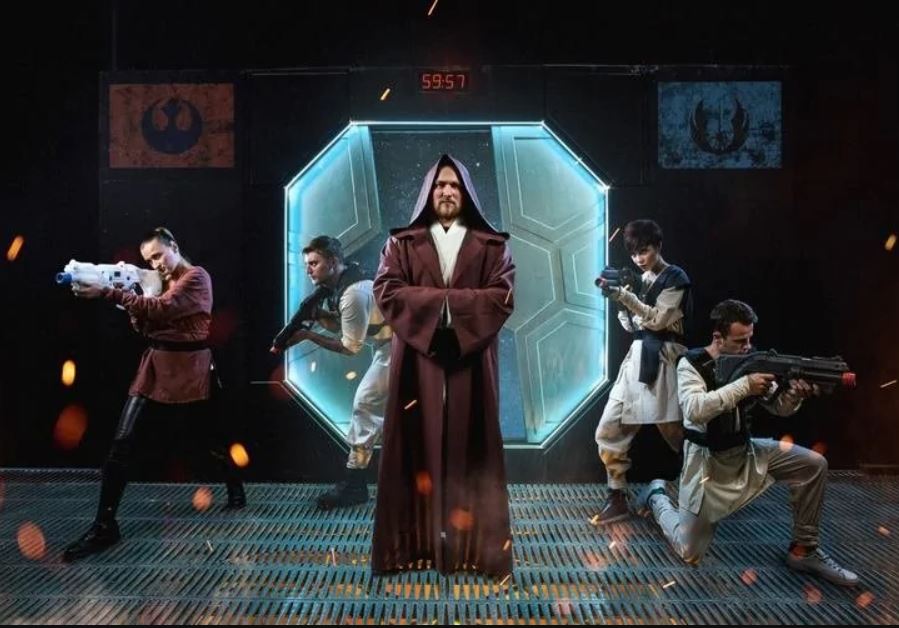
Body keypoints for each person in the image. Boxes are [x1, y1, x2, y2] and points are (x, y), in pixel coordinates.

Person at [635, 299, 859, 586]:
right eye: (740, 341)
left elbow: (779, 408)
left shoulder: (750, 362)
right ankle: (657, 497)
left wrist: (795, 395)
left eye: (750, 339)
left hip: (746, 454)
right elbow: (695, 409)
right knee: (688, 549)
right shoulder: (692, 364)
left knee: (814, 464)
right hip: (706, 466)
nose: (747, 347)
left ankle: (804, 550)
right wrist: (744, 386)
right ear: (718, 337)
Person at [370, 155, 515, 577]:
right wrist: (450, 306)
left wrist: (440, 305)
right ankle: (415, 548)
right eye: (439, 185)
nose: (447, 191)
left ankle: (475, 552)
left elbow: (502, 296)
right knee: (412, 445)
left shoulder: (492, 245)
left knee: (475, 446)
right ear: (428, 193)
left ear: (465, 192)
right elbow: (387, 290)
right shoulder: (401, 244)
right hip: (418, 360)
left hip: (472, 358)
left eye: (454, 185)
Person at [63, 227, 245, 562]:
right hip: (158, 364)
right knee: (121, 444)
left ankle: (235, 487)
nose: (155, 264)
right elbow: (145, 324)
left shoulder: (196, 277)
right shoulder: (159, 283)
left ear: (174, 246)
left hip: (191, 368)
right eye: (149, 260)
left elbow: (161, 310)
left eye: (159, 255)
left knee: (210, 439)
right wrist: (130, 296)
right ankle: (104, 525)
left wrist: (110, 292)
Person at [270, 235, 392, 509]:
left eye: (314, 263)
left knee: (365, 404)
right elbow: (344, 325)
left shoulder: (353, 294)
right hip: (390, 345)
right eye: (307, 264)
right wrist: (318, 316)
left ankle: (355, 484)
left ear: (334, 262)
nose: (308, 269)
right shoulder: (345, 287)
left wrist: (308, 335)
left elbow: (350, 347)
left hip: (400, 346)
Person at [594, 219, 692, 523]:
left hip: (665, 359)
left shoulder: (675, 278)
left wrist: (626, 297)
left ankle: (704, 491)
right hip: (637, 358)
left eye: (645, 251)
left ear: (658, 246)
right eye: (634, 253)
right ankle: (617, 496)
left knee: (681, 436)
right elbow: (631, 326)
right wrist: (619, 300)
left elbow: (658, 320)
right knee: (608, 429)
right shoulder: (640, 279)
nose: (639, 258)